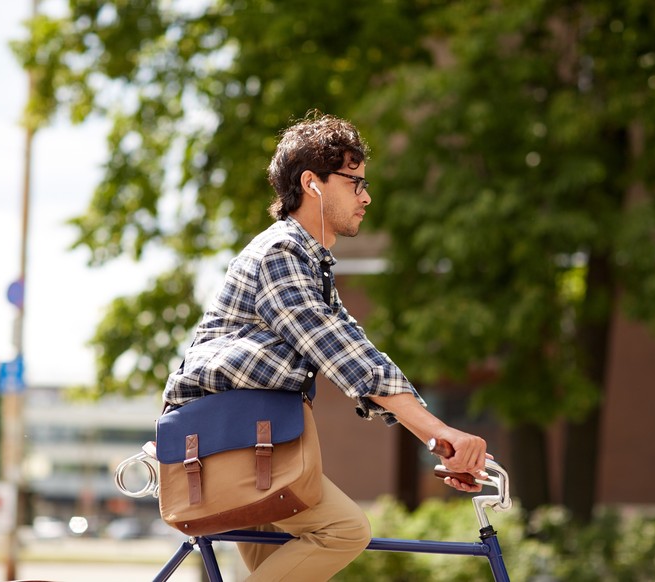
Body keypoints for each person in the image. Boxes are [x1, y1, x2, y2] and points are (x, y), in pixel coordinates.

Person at [163, 111, 490, 581]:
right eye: (354, 183)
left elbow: (361, 353)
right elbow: (344, 356)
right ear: (312, 183)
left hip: (256, 442)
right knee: (343, 530)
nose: (366, 196)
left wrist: (435, 438)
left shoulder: (312, 268)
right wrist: (441, 436)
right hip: (229, 444)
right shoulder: (281, 254)